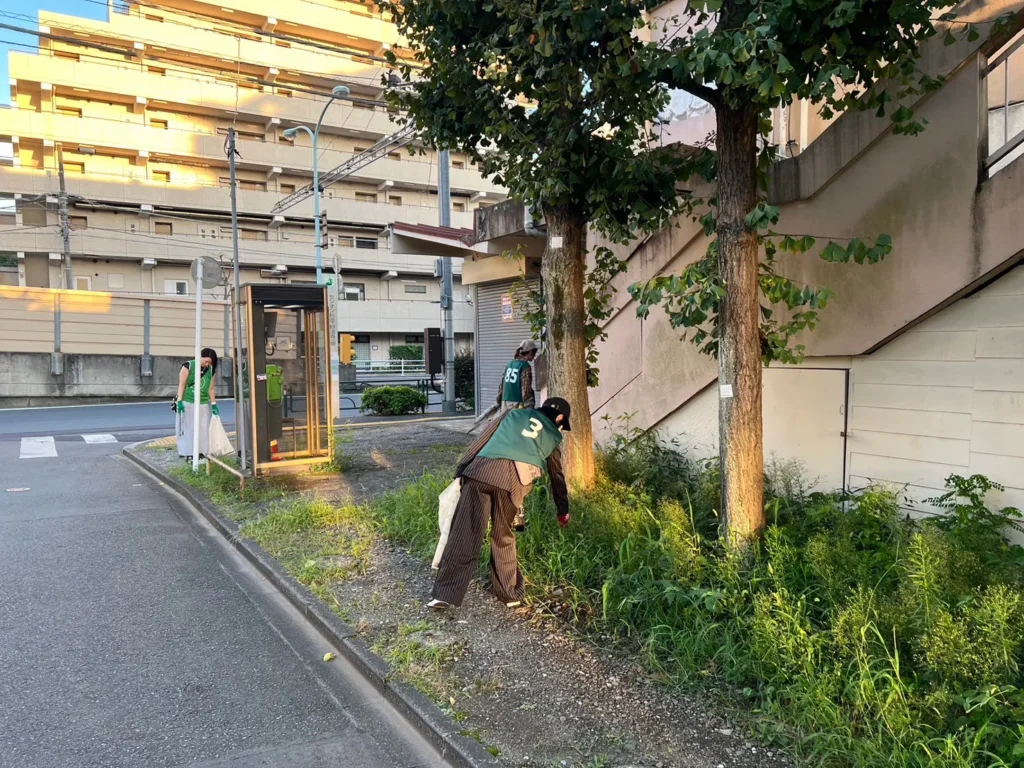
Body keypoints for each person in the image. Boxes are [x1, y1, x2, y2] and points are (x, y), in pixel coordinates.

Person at [429, 397, 572, 610]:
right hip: (514, 484)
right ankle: (509, 593)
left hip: (481, 472)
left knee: (465, 534)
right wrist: (563, 511)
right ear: (559, 418)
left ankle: (445, 595)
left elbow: (482, 439)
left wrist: (461, 470)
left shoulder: (513, 413)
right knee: (503, 536)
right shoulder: (552, 436)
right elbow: (557, 477)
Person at [174, 347, 219, 461]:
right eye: (206, 361)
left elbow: (211, 388)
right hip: (188, 401)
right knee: (188, 428)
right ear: (200, 357)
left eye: (210, 362)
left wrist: (213, 404)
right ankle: (188, 452)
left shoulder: (210, 370)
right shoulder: (188, 366)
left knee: (202, 428)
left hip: (203, 403)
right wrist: (179, 401)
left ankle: (201, 452)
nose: (207, 364)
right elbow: (181, 385)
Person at [496, 339, 538, 413]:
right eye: (534, 353)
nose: (534, 356)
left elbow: (501, 386)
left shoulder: (509, 364)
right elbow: (526, 390)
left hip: (505, 403)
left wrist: (499, 401)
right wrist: (529, 406)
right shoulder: (525, 366)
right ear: (530, 353)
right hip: (517, 404)